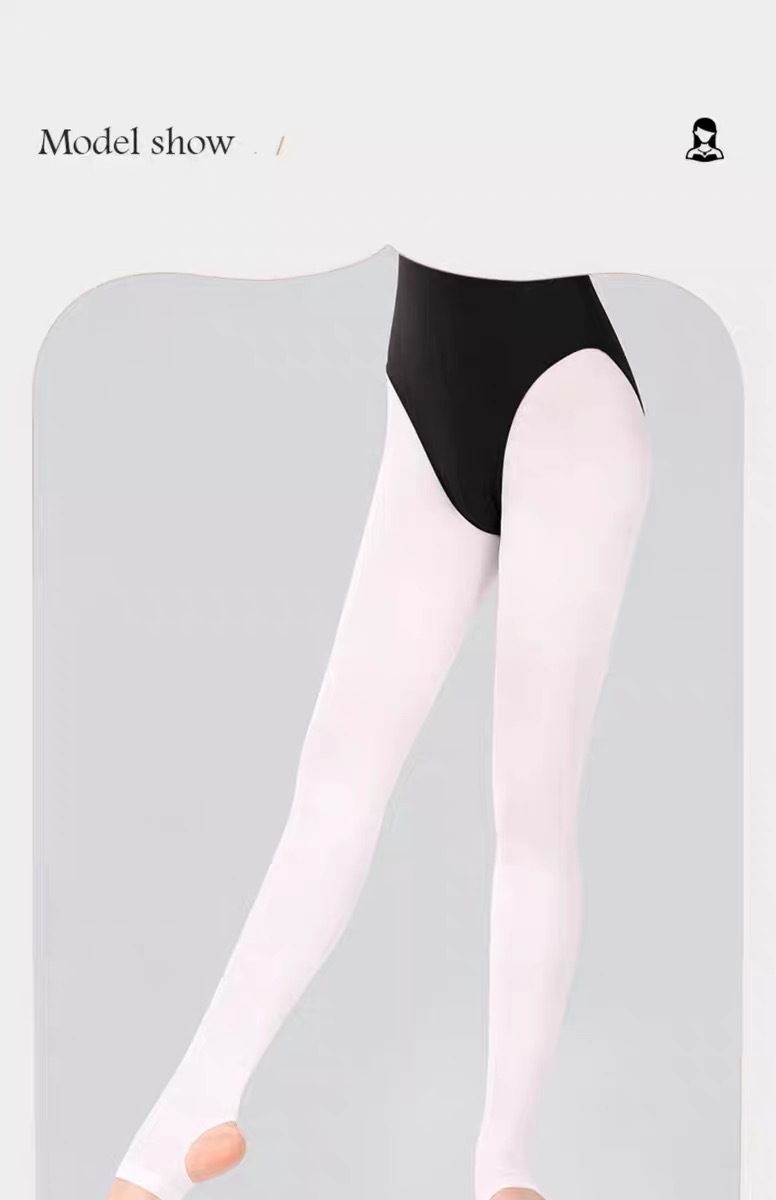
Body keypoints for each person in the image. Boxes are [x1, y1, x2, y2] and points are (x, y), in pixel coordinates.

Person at [108, 254, 652, 1200]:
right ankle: (192, 1110)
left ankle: (504, 1165)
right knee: (332, 783)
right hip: (428, 395)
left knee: (531, 811)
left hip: (571, 395)